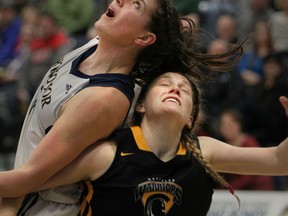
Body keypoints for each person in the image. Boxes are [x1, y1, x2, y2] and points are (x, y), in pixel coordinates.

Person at [0, 0, 244, 215]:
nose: (122, 0)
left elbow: (28, 178)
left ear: (143, 38)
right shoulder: (96, 43)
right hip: (16, 195)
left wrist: (10, 205)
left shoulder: (104, 99)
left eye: (136, 5)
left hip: (40, 207)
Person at [0, 70, 287, 215]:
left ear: (190, 119)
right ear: (141, 106)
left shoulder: (203, 150)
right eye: (165, 84)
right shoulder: (105, 154)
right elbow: (22, 185)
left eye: (184, 89)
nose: (175, 87)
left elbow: (279, 161)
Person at [217, 108, 275, 190]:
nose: (227, 128)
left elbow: (252, 171)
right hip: (239, 191)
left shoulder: (249, 143)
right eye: (223, 125)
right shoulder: (222, 147)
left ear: (238, 125)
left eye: (230, 124)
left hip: (258, 190)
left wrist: (229, 187)